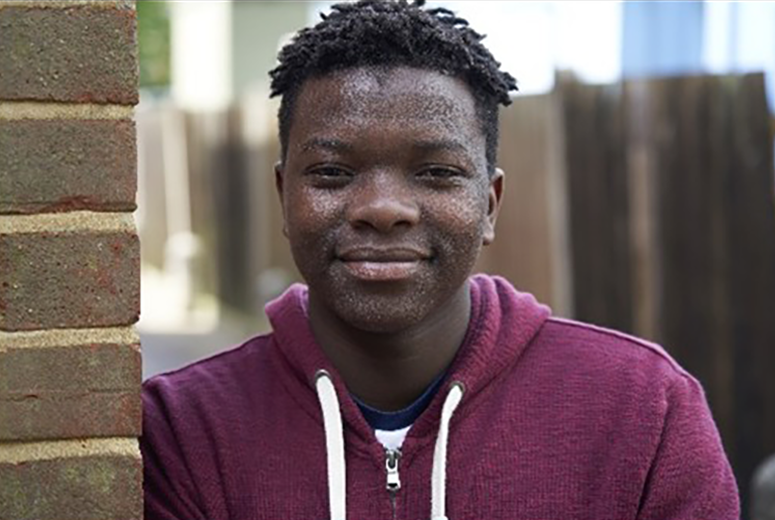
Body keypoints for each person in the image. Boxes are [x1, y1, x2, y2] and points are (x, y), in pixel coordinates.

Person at [140, 1, 739, 518]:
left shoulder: (644, 412)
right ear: (283, 197)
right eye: (331, 173)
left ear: (489, 205)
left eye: (436, 173)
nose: (382, 208)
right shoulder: (185, 429)